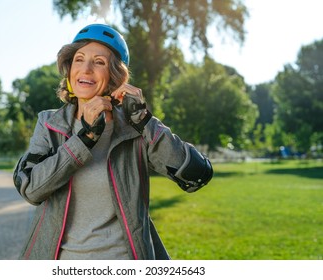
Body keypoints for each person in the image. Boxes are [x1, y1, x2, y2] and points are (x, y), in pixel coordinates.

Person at [13, 23, 213, 260]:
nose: (86, 69)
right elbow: (31, 189)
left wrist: (144, 121)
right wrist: (84, 139)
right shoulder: (49, 123)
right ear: (69, 69)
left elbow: (196, 175)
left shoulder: (135, 127)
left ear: (114, 76)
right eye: (79, 59)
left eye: (99, 62)